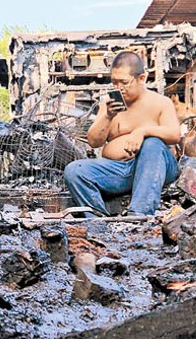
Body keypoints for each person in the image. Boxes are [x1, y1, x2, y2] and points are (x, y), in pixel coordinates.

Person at [64, 51, 180, 217]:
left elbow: (174, 134)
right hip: (120, 171)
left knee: (152, 143)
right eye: (114, 82)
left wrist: (143, 131)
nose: (119, 88)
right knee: (74, 170)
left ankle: (139, 214)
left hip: (155, 168)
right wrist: (107, 116)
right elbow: (94, 142)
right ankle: (98, 222)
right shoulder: (108, 105)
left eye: (124, 82)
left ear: (142, 79)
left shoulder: (161, 102)